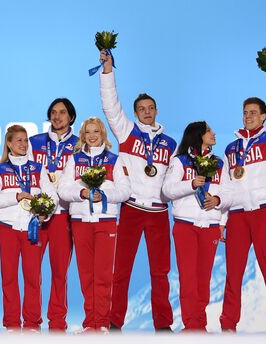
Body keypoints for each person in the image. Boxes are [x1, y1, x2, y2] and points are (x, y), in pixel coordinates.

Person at [99, 51, 176, 330]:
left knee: (161, 272)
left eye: (150, 107)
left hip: (158, 211)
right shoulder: (127, 132)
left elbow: (173, 180)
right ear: (135, 113)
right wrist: (108, 70)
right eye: (141, 108)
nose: (146, 111)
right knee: (121, 270)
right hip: (131, 208)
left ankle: (163, 325)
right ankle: (114, 321)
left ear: (156, 110)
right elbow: (110, 105)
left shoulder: (170, 143)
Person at [219, 57, 266, 332]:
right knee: (233, 274)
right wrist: (222, 221)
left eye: (254, 112)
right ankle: (228, 325)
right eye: (245, 112)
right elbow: (226, 187)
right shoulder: (230, 149)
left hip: (265, 212)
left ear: (264, 116)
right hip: (238, 216)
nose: (248, 116)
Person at [57, 117, 131, 333]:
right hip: (80, 221)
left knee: (104, 274)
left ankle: (103, 322)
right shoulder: (75, 160)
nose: (92, 136)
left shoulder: (114, 160)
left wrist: (102, 195)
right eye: (88, 132)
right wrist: (82, 193)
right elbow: (63, 189)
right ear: (83, 136)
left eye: (96, 131)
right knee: (86, 275)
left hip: (106, 222)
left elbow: (125, 191)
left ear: (103, 134)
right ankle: (91, 323)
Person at [0, 125, 58, 332]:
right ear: (8, 143)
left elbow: (53, 195)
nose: (23, 144)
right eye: (18, 140)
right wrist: (15, 197)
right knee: (8, 277)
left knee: (33, 277)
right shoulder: (0, 170)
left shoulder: (38, 168)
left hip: (32, 228)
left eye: (25, 140)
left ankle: (33, 322)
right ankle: (12, 323)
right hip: (8, 229)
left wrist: (47, 212)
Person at [162, 121, 228, 331]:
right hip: (186, 226)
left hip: (210, 225)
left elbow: (229, 192)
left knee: (204, 278)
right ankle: (192, 326)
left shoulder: (220, 163)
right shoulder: (180, 162)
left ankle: (199, 324)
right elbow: (168, 190)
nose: (214, 133)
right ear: (198, 135)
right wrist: (191, 184)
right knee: (188, 277)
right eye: (209, 130)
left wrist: (218, 203)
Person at [28, 98, 78, 331]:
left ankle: (57, 321)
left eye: (63, 112)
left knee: (60, 272)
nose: (57, 116)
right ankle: (31, 320)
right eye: (53, 112)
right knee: (32, 270)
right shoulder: (34, 142)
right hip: (37, 215)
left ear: (71, 117)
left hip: (64, 215)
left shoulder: (80, 145)